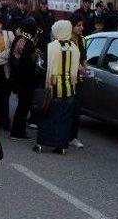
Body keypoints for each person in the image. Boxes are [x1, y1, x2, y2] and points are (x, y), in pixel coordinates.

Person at [34, 20, 79, 154]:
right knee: (64, 119)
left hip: (53, 87)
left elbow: (42, 66)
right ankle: (61, 146)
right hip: (70, 88)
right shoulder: (74, 47)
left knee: (47, 116)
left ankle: (42, 143)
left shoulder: (51, 47)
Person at [9, 19, 40, 139]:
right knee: (24, 106)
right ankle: (18, 132)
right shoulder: (29, 43)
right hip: (26, 80)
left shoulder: (18, 39)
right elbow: (27, 64)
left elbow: (13, 59)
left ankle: (17, 130)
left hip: (17, 78)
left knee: (21, 105)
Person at [69, 14, 87, 149]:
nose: (81, 28)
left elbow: (84, 58)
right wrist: (76, 66)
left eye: (82, 25)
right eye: (78, 25)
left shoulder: (83, 40)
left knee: (76, 109)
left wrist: (84, 68)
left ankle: (73, 136)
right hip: (66, 78)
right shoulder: (66, 39)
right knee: (66, 108)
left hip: (79, 79)